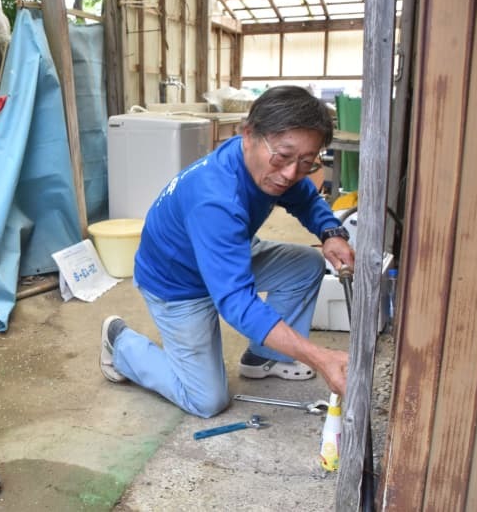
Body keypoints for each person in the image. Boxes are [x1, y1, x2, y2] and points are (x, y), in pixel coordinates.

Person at [99, 85, 353, 419]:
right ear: (248, 134)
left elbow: (303, 196)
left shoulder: (264, 164)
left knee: (306, 264)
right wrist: (319, 357)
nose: (291, 173)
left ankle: (262, 358)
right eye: (283, 157)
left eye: (306, 162)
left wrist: (330, 232)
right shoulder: (215, 198)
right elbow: (236, 302)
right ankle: (120, 343)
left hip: (221, 254)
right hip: (177, 285)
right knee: (206, 400)